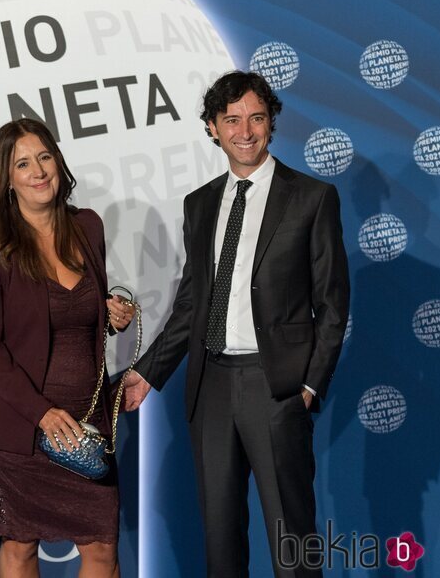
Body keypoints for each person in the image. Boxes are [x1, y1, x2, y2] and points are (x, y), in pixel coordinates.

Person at [124, 71, 350, 577]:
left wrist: (309, 385)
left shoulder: (312, 198)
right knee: (220, 540)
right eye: (231, 120)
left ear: (271, 123)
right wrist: (147, 371)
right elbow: (192, 303)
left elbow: (333, 306)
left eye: (256, 118)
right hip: (211, 388)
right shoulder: (199, 204)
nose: (244, 131)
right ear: (212, 129)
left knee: (291, 538)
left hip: (277, 387)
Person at [0, 118, 135, 578]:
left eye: (44, 157)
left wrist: (112, 316)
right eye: (23, 163)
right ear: (8, 178)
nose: (38, 170)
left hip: (86, 424)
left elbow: (78, 317)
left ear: (58, 162)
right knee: (21, 547)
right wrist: (41, 412)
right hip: (19, 426)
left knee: (101, 548)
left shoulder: (87, 227)